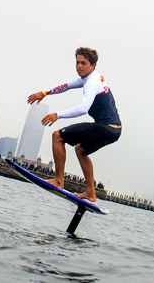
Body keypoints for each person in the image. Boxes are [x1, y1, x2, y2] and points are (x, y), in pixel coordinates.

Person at [27, 47, 121, 202]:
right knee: (80, 149)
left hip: (106, 127)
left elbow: (84, 108)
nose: (79, 66)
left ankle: (58, 181)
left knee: (57, 136)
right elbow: (66, 85)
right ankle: (91, 193)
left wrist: (58, 114)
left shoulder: (92, 82)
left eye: (83, 63)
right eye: (77, 62)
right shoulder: (91, 78)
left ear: (93, 65)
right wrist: (44, 93)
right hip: (114, 130)